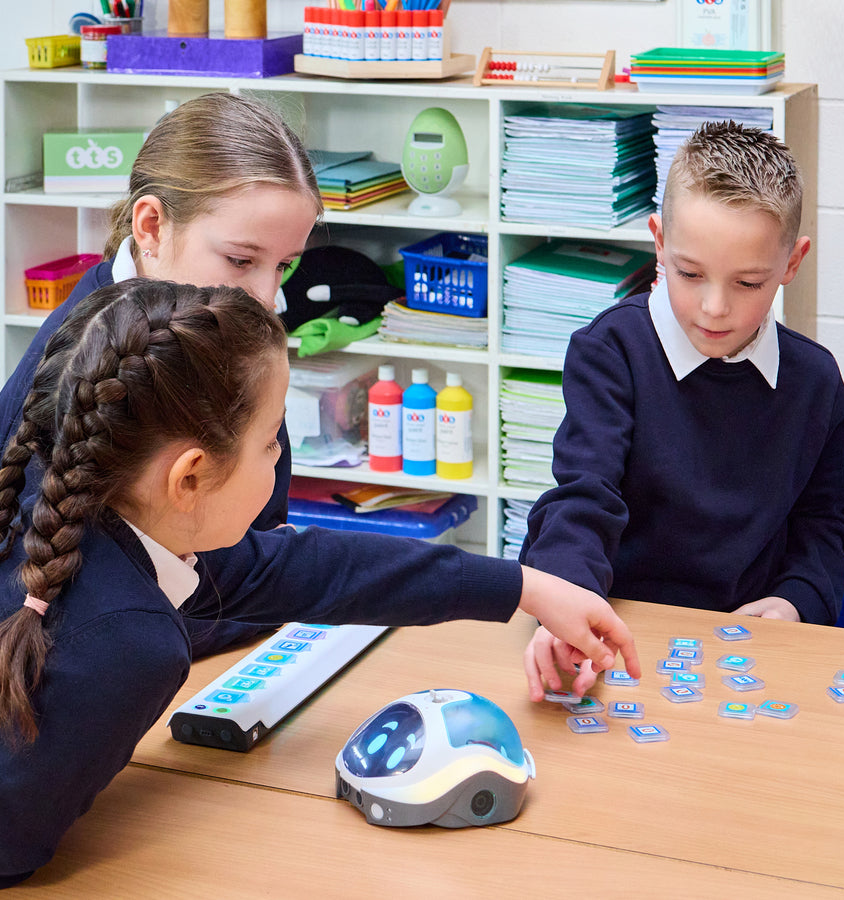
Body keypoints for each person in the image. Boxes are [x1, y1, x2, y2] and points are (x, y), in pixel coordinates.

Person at [0, 279, 640, 886]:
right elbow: (12, 852)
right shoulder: (130, 643)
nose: (281, 457)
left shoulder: (73, 508)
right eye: (269, 444)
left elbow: (307, 568)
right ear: (189, 478)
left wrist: (526, 586)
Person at [520, 121, 844, 700]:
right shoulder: (611, 352)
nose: (714, 307)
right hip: (613, 627)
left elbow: (822, 523)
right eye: (689, 274)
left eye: (748, 283)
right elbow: (583, 496)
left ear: (792, 263)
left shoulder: (816, 383)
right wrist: (566, 596)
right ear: (658, 242)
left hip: (743, 648)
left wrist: (794, 600)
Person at [0, 92, 322, 657]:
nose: (267, 297)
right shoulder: (78, 371)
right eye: (241, 260)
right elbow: (83, 616)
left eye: (284, 265)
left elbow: (261, 533)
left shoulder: (210, 334)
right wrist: (272, 592)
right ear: (150, 226)